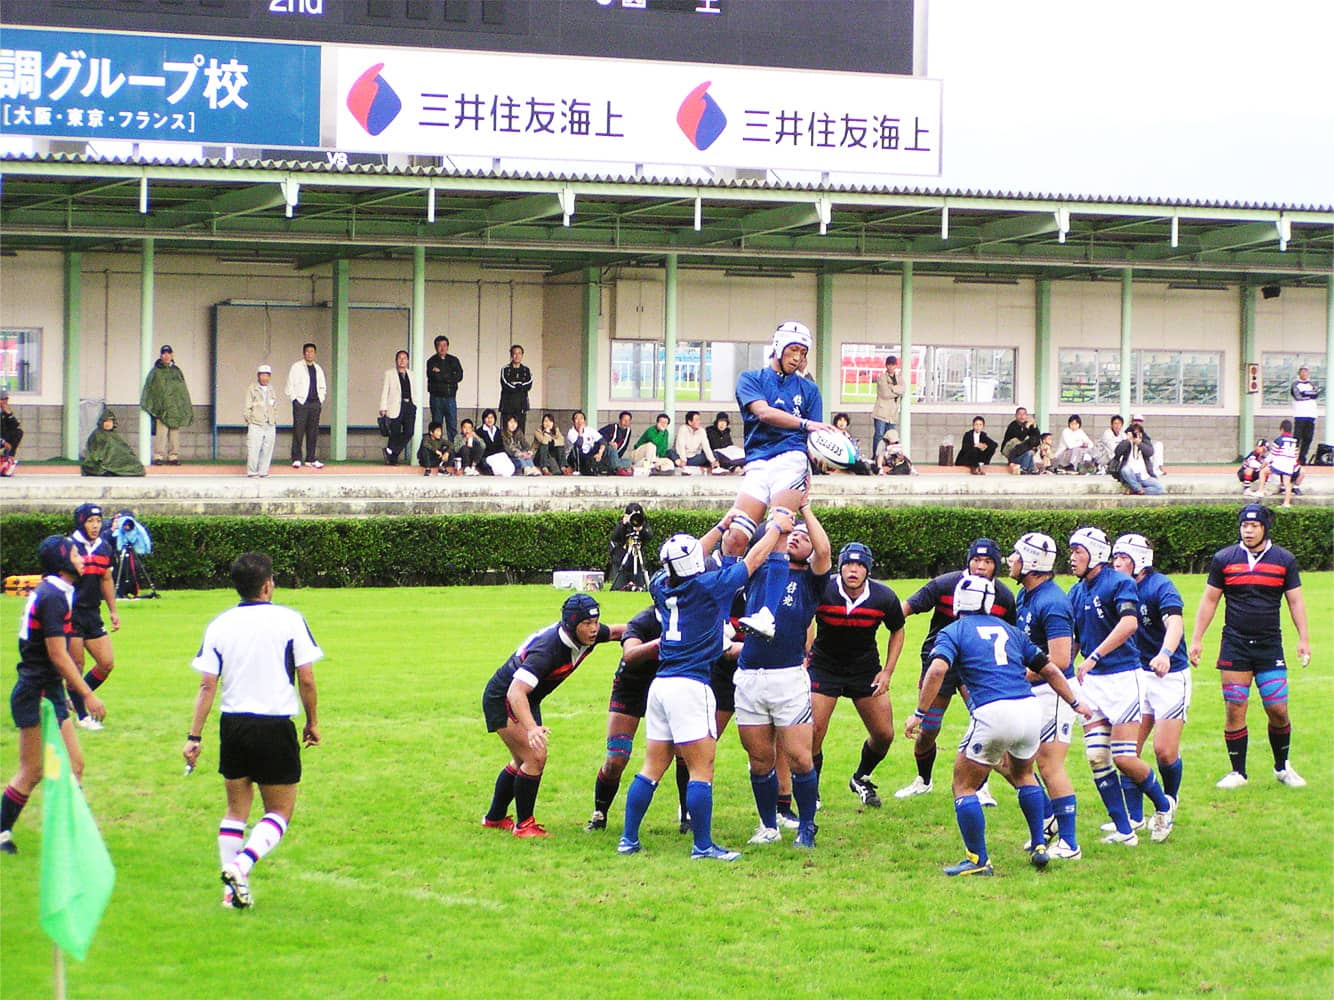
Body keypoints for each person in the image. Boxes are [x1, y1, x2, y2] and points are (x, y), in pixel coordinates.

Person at [618, 512, 789, 860]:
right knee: (701, 769)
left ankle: (628, 839)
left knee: (651, 768)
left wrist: (723, 525)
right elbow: (753, 561)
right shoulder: (708, 587)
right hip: (691, 685)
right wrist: (775, 530)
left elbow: (689, 556)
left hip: (661, 685)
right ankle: (703, 845)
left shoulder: (660, 585)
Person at [905, 574, 1090, 876]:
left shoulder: (953, 631)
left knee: (963, 785)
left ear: (958, 601)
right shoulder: (1011, 630)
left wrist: (918, 713)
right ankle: (1039, 845)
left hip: (993, 713)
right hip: (1029, 709)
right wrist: (1075, 702)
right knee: (1025, 775)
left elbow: (937, 670)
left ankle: (978, 860)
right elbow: (1051, 669)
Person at [181, 552, 322, 909]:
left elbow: (207, 685)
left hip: (233, 725)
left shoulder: (220, 624)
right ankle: (240, 867)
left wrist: (194, 737)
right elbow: (306, 678)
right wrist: (312, 722)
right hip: (274, 724)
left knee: (235, 811)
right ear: (268, 585)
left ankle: (231, 896)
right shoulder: (290, 620)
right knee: (280, 811)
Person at [1067, 527, 1176, 846]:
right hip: (1091, 683)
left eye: (1078, 551)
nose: (1072, 558)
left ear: (1096, 554)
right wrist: (1062, 671)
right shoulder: (1075, 592)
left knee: (1124, 757)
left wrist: (1095, 656)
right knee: (1096, 757)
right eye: (1071, 551)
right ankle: (1125, 830)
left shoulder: (1119, 583)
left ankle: (1164, 806)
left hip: (1123, 679)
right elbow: (1075, 638)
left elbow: (1129, 623)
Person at [1188, 504, 1310, 790]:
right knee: (1235, 707)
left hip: (1269, 646)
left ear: (1265, 528)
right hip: (1235, 645)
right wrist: (1197, 639)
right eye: (1245, 525)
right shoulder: (1224, 559)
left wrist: (1303, 639)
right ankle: (1238, 772)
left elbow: (1295, 601)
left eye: (1254, 526)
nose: (1248, 530)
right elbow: (1210, 600)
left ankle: (1282, 767)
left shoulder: (1284, 560)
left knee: (1277, 709)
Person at [481, 594, 625, 837]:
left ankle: (494, 818)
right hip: (504, 698)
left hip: (527, 698)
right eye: (587, 624)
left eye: (596, 622)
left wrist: (657, 628)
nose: (593, 629)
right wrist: (531, 728)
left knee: (522, 760)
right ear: (571, 624)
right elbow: (516, 692)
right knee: (534, 756)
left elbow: (617, 632)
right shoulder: (547, 650)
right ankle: (524, 826)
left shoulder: (587, 634)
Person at [727, 320, 835, 639]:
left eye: (803, 352)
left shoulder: (809, 390)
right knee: (734, 537)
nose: (798, 357)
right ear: (778, 347)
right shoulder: (751, 379)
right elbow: (763, 413)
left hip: (791, 459)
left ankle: (767, 615)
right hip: (758, 462)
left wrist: (820, 461)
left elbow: (814, 439)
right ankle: (720, 619)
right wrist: (806, 424)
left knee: (780, 528)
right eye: (793, 350)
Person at [0, 537, 107, 855]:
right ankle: (2, 831)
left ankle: (68, 836)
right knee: (32, 770)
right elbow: (58, 655)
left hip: (50, 690)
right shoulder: (53, 596)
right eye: (75, 553)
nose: (81, 557)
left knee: (75, 764)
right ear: (61, 561)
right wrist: (86, 695)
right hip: (36, 691)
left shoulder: (58, 591)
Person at [734, 505, 831, 849]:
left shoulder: (811, 581)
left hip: (788, 676)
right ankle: (768, 825)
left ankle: (806, 827)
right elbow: (746, 549)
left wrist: (804, 508)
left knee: (800, 757)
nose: (795, 539)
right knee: (759, 760)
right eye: (792, 534)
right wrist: (778, 523)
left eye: (802, 537)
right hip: (750, 675)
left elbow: (824, 552)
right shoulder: (759, 570)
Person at [895, 539, 1016, 803]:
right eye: (976, 560)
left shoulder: (1004, 597)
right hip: (940, 663)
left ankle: (980, 786)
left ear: (996, 566)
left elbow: (1012, 636)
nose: (981, 566)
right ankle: (923, 781)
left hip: (978, 667)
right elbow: (905, 608)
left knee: (986, 723)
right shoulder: (945, 584)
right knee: (929, 728)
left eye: (988, 561)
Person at [808, 542, 905, 811]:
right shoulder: (823, 588)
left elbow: (898, 630)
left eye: (860, 565)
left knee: (884, 734)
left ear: (868, 570)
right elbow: (805, 618)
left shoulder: (884, 596)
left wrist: (887, 671)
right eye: (848, 564)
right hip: (824, 666)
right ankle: (811, 791)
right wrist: (804, 652)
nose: (853, 570)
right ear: (840, 567)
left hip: (865, 669)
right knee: (814, 731)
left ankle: (861, 777)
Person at [1005, 533, 1083, 860]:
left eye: (1016, 555)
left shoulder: (1052, 602)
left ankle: (1070, 843)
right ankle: (1049, 817)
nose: (1010, 560)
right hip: (1030, 691)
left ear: (1033, 562)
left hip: (1052, 693)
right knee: (1006, 759)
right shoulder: (1025, 595)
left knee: (1050, 765)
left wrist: (1016, 675)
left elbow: (1061, 659)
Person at [584, 606, 691, 833]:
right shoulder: (643, 621)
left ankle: (687, 816)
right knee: (616, 758)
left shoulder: (692, 615)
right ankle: (599, 813)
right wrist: (661, 643)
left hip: (671, 686)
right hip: (631, 688)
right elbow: (630, 654)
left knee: (685, 753)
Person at [1111, 534, 1188, 841]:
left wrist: (1165, 654)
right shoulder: (1118, 587)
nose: (1117, 563)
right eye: (1115, 557)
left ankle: (1167, 806)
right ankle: (1133, 818)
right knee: (1127, 751)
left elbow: (1175, 623)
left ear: (1141, 560)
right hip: (1136, 675)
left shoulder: (1160, 586)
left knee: (1164, 751)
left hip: (1169, 676)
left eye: (1123, 558)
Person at [65, 504, 120, 731]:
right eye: (90, 521)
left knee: (106, 663)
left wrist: (113, 610)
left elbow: (105, 579)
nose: (95, 526)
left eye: (98, 521)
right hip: (71, 613)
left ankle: (73, 698)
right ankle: (82, 716)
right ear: (81, 522)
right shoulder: (69, 546)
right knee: (76, 665)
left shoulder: (104, 547)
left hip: (92, 613)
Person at [140, 344, 192, 465]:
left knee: (174, 434)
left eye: (168, 353)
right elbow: (151, 389)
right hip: (162, 409)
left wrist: (182, 406)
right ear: (161, 356)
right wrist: (155, 406)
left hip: (174, 409)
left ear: (172, 355)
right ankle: (158, 456)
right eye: (164, 353)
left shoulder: (177, 371)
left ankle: (173, 456)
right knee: (161, 434)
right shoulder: (156, 372)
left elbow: (182, 391)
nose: (166, 356)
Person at [284, 343, 326, 469]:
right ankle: (296, 458)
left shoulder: (318, 369)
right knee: (298, 431)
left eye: (312, 351)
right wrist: (295, 400)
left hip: (315, 403)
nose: (309, 354)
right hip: (301, 403)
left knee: (313, 432)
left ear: (315, 354)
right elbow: (290, 385)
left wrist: (320, 399)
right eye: (307, 351)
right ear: (303, 353)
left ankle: (310, 458)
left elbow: (323, 386)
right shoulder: (296, 367)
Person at [378, 350, 417, 466]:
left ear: (408, 360)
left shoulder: (412, 374)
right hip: (395, 406)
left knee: (409, 432)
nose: (402, 360)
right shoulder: (389, 374)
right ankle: (392, 458)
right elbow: (385, 390)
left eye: (404, 358)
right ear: (396, 360)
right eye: (400, 358)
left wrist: (415, 404)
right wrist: (383, 407)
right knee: (394, 433)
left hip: (409, 405)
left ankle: (391, 452)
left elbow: (414, 390)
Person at [81, 409, 146, 477]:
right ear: (102, 422)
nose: (108, 424)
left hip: (117, 458)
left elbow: (124, 447)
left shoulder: (114, 435)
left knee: (136, 465)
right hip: (104, 460)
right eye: (106, 421)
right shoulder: (97, 434)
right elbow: (96, 452)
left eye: (110, 422)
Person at [1255, 419, 1303, 507]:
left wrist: (1264, 463)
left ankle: (1260, 491)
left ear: (1282, 429)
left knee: (1263, 472)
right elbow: (1295, 455)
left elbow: (1272, 454)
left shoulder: (1278, 440)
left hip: (1279, 463)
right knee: (1287, 484)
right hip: (1289, 465)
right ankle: (1286, 503)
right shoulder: (1294, 441)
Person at [608, 502, 654, 592]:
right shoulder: (622, 525)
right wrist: (623, 524)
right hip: (622, 560)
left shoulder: (643, 525)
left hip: (637, 561)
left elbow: (649, 536)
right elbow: (614, 537)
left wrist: (641, 529)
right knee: (619, 587)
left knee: (641, 587)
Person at [243, 364, 278, 478]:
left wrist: (274, 419)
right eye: (262, 375)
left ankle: (263, 471)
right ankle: (252, 471)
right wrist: (250, 420)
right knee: (254, 448)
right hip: (256, 423)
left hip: (270, 423)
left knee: (268, 449)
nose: (265, 378)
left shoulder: (271, 389)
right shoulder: (252, 388)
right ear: (258, 376)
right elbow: (247, 407)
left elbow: (274, 406)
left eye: (267, 375)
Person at [426, 335, 463, 441]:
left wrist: (442, 373)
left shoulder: (454, 360)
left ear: (447, 347)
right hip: (436, 398)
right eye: (439, 346)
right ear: (435, 347)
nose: (442, 348)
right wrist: (450, 375)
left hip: (450, 397)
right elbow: (434, 377)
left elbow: (459, 376)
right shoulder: (431, 361)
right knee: (437, 426)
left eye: (444, 345)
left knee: (452, 425)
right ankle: (437, 448)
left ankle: (452, 448)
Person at [1112, 424, 1162, 495]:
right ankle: (1138, 488)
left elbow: (1150, 452)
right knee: (1125, 470)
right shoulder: (1127, 443)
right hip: (1131, 474)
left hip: (1144, 475)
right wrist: (1127, 440)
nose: (1136, 435)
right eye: (1134, 433)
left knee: (1159, 488)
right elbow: (1117, 452)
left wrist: (1139, 443)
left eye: (1138, 433)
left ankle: (1137, 490)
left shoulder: (1145, 442)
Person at [871, 355, 904, 459]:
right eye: (889, 364)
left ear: (896, 366)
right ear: (886, 365)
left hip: (892, 414)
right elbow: (885, 394)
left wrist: (891, 388)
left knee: (891, 436)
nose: (891, 367)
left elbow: (903, 390)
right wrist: (897, 391)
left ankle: (889, 458)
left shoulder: (899, 378)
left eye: (893, 364)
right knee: (879, 435)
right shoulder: (881, 377)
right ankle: (876, 457)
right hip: (881, 412)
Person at [499, 344, 532, 433]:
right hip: (507, 407)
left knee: (520, 432)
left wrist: (517, 385)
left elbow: (529, 384)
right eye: (515, 353)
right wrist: (519, 386)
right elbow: (505, 384)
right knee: (506, 432)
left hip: (521, 406)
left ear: (522, 355)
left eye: (519, 353)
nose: (517, 356)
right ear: (511, 355)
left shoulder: (526, 370)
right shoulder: (505, 369)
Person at [1289, 365, 1319, 466]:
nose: (1304, 374)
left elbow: (1316, 394)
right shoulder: (1295, 384)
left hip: (1311, 415)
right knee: (1297, 438)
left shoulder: (1312, 384)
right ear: (1299, 373)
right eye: (1302, 372)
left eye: (1306, 372)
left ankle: (1302, 458)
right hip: (1300, 414)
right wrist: (1309, 395)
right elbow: (1298, 396)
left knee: (1308, 438)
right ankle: (1292, 457)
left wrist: (1306, 394)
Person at [675, 409, 719, 474]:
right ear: (690, 422)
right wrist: (683, 460)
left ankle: (715, 468)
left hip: (694, 458)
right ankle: (685, 467)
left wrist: (713, 461)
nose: (699, 422)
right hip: (683, 458)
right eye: (696, 420)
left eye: (699, 419)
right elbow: (680, 446)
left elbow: (706, 447)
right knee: (670, 452)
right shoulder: (683, 429)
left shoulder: (701, 431)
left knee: (714, 454)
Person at [566, 410, 609, 475]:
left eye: (581, 418)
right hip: (575, 456)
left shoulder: (589, 430)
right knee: (576, 447)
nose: (579, 421)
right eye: (577, 419)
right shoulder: (571, 432)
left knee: (604, 447)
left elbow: (602, 441)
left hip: (588, 455)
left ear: (584, 421)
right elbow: (579, 444)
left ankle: (601, 468)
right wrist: (580, 432)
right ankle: (577, 469)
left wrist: (600, 452)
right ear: (573, 421)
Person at [478, 408, 514, 476]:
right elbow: (483, 448)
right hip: (487, 456)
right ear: (484, 419)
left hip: (499, 454)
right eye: (487, 417)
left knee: (509, 466)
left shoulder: (498, 430)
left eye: (491, 417)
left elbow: (501, 446)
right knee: (497, 467)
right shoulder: (479, 432)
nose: (489, 420)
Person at [0, 390, 22, 476]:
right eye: (2, 399)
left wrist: (9, 414)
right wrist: (3, 442)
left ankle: (9, 458)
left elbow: (15, 425)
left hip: (2, 437)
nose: (5, 401)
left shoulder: (4, 412)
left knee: (18, 432)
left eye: (6, 399)